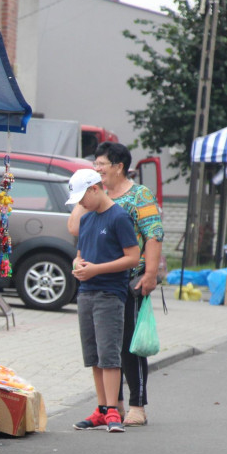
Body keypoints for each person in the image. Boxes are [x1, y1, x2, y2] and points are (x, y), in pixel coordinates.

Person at [67, 142, 164, 427]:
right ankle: (113, 405)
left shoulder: (139, 195)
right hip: (96, 281)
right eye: (95, 165)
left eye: (101, 164)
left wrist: (150, 274)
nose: (97, 169)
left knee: (129, 345)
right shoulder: (97, 196)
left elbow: (153, 234)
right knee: (104, 347)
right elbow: (75, 229)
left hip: (129, 278)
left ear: (119, 166)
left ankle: (137, 404)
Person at [66, 168, 140, 433]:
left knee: (109, 354)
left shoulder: (118, 217)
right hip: (85, 292)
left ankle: (112, 411)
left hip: (110, 293)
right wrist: (78, 263)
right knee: (94, 355)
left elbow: (132, 257)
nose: (81, 204)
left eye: (82, 198)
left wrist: (96, 269)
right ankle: (101, 409)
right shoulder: (87, 219)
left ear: (95, 189)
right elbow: (79, 252)